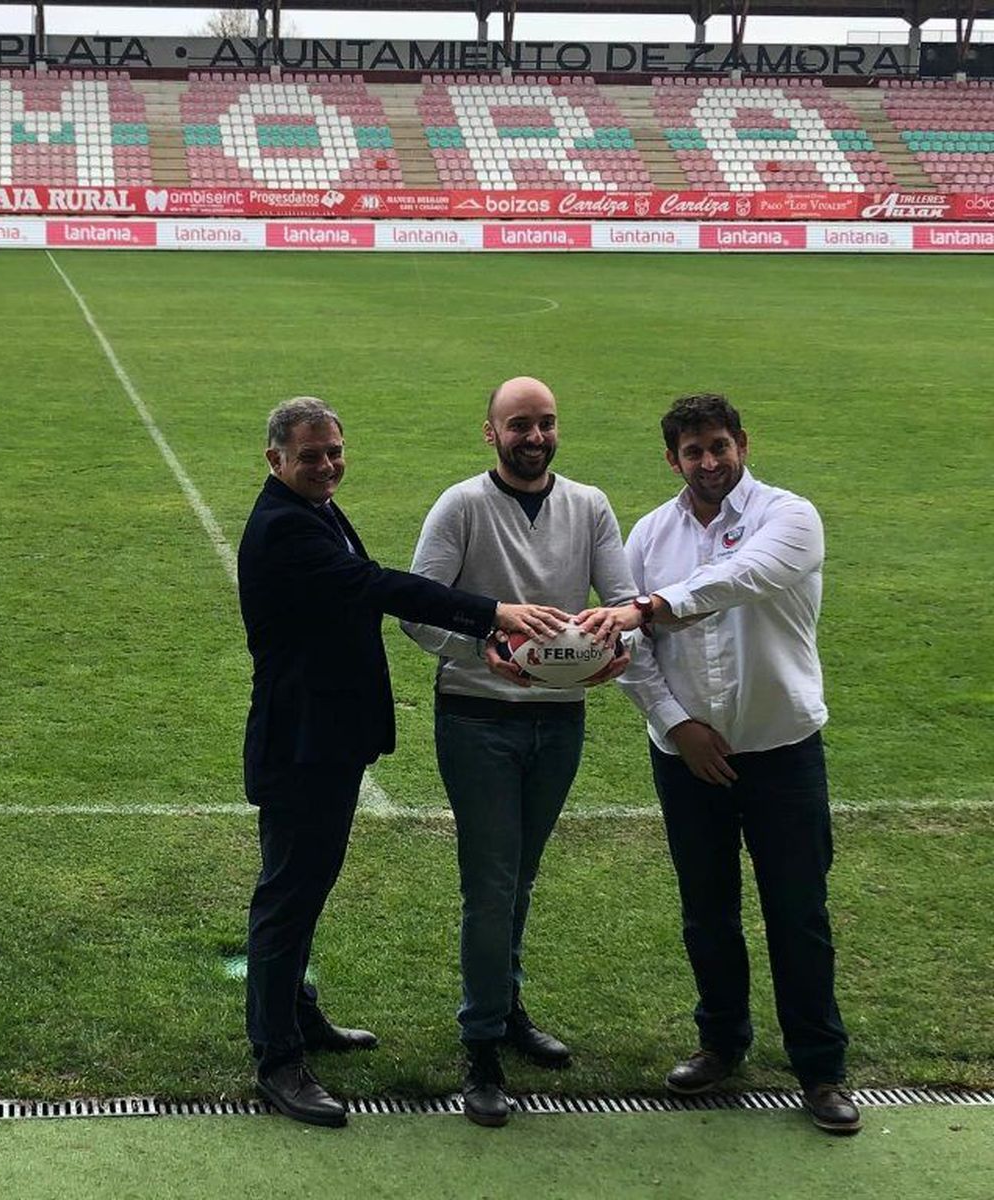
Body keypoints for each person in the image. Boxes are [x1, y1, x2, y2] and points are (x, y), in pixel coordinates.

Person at [239, 396, 568, 1129]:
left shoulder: (312, 509)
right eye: (309, 456)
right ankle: (277, 1057)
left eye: (334, 451)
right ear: (274, 460)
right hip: (301, 746)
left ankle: (298, 1016)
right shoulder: (285, 526)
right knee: (288, 898)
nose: (327, 465)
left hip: (326, 739)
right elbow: (376, 585)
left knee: (305, 890)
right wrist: (492, 612)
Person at [578, 393, 859, 1136]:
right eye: (693, 451)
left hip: (782, 750)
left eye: (719, 446)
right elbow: (628, 649)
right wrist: (678, 726)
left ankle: (821, 1069)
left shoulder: (788, 517)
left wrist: (648, 606)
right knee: (707, 912)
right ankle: (721, 1044)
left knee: (798, 913)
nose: (709, 462)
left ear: (743, 444)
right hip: (687, 758)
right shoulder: (650, 534)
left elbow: (742, 578)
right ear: (672, 460)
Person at [399, 376, 635, 1127]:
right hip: (477, 720)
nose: (535, 437)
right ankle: (481, 1047)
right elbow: (415, 610)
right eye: (519, 425)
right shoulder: (462, 505)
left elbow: (623, 602)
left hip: (558, 721)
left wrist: (613, 645)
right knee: (491, 885)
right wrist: (485, 646)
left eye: (546, 423)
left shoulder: (590, 505)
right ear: (490, 433)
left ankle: (505, 1009)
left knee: (520, 880)